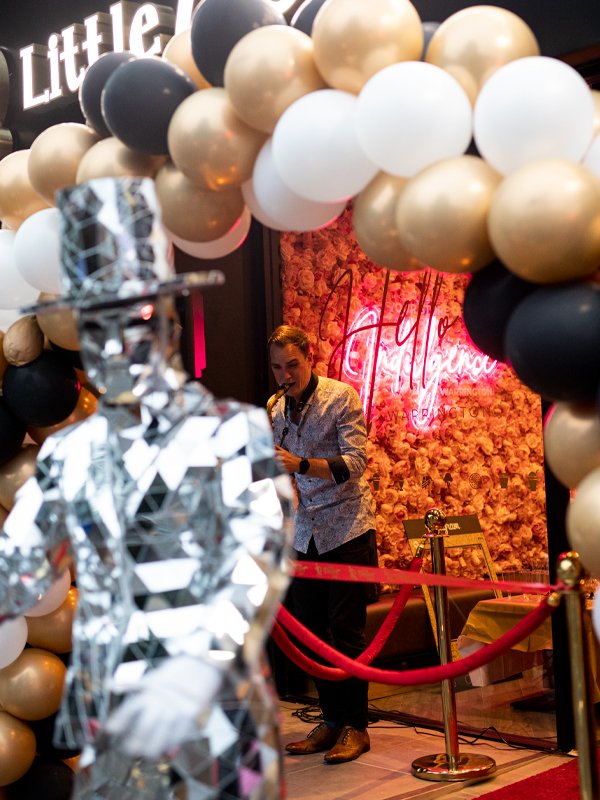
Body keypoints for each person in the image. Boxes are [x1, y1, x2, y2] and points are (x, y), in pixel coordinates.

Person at [0, 177, 293, 800]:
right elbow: (18, 571)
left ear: (167, 324)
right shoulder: (73, 453)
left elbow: (257, 566)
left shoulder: (233, 434)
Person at [267, 325, 376, 764]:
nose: (285, 375)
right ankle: (331, 722)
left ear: (309, 358)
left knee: (347, 633)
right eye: (277, 367)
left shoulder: (341, 397)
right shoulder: (275, 407)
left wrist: (302, 464)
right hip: (303, 532)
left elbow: (356, 463)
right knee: (312, 632)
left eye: (291, 364)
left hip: (346, 528)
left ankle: (357, 726)